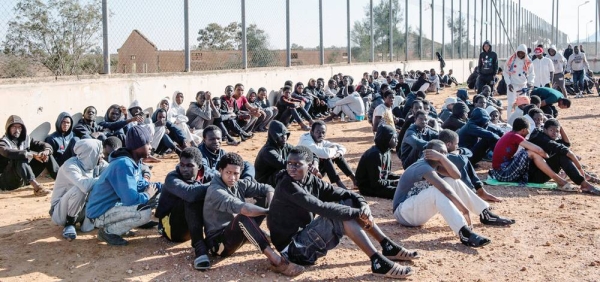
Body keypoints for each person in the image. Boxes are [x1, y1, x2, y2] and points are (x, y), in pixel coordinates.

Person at [267, 146, 417, 279]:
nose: (291, 168)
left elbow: (344, 193)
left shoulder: (311, 180)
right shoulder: (287, 185)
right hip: (293, 251)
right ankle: (377, 261)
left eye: (297, 164)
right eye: (289, 163)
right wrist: (357, 212)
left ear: (310, 166)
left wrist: (363, 205)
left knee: (347, 203)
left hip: (303, 239)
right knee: (342, 216)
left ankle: (387, 245)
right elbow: (321, 207)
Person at [392, 140, 515, 248]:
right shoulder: (423, 166)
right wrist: (464, 210)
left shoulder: (436, 164)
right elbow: (445, 190)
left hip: (416, 210)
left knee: (451, 180)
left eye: (444, 152)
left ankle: (485, 214)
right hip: (403, 213)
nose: (443, 154)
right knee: (437, 190)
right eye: (439, 152)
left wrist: (442, 158)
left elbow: (457, 176)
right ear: (428, 153)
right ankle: (464, 232)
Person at [203, 152, 304, 277]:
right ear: (220, 170)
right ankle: (277, 262)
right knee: (244, 217)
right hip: (219, 244)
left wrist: (271, 205)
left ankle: (276, 236)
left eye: (236, 173)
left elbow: (268, 188)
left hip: (233, 233)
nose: (232, 178)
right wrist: (269, 212)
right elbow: (245, 209)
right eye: (228, 173)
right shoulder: (215, 191)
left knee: (264, 200)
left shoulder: (239, 184)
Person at [86, 125, 160, 246]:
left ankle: (120, 228)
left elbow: (140, 184)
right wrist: (147, 194)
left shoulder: (134, 161)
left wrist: (162, 187)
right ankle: (108, 232)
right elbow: (130, 200)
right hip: (100, 213)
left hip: (114, 207)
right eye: (148, 143)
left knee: (156, 196)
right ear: (138, 146)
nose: (151, 147)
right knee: (144, 213)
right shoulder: (123, 164)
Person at [155, 147, 212, 270]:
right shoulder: (172, 178)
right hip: (172, 229)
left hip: (192, 224)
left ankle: (224, 234)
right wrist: (216, 184)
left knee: (217, 194)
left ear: (199, 166)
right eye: (182, 165)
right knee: (191, 196)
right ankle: (200, 248)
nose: (184, 169)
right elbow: (190, 194)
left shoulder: (207, 175)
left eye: (189, 165)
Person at [488, 117, 571, 189]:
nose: (528, 133)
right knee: (531, 153)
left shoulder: (511, 135)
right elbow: (538, 150)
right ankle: (557, 179)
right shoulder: (515, 136)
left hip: (502, 170)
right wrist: (549, 158)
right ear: (523, 130)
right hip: (502, 173)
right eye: (528, 130)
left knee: (529, 153)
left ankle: (557, 176)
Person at [50, 139, 107, 241]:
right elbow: (84, 186)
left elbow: (112, 170)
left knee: (102, 187)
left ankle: (88, 220)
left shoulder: (96, 164)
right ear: (90, 153)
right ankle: (69, 223)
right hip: (61, 211)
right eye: (99, 153)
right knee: (81, 189)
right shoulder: (70, 165)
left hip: (82, 207)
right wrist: (104, 178)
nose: (102, 156)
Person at [528, 119, 600, 195]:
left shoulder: (542, 134)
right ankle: (584, 184)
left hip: (537, 173)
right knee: (562, 155)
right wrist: (580, 169)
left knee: (562, 153)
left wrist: (560, 127)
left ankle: (584, 183)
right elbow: (569, 153)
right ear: (545, 129)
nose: (554, 133)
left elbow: (566, 144)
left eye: (557, 131)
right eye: (551, 130)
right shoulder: (543, 140)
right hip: (533, 177)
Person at [0, 115, 58, 195]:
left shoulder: (26, 139)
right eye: (14, 127)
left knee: (45, 156)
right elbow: (7, 152)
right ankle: (37, 188)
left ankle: (61, 179)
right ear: (8, 128)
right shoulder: (3, 142)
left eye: (19, 127)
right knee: (20, 156)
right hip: (7, 181)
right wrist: (29, 154)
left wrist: (46, 151)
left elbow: (42, 144)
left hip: (24, 179)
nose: (17, 130)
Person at [438, 129, 501, 202]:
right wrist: (459, 154)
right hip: (442, 187)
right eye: (456, 144)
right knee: (462, 164)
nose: (458, 146)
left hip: (449, 185)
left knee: (464, 161)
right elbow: (462, 160)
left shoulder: (451, 152)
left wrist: (459, 151)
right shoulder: (441, 155)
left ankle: (480, 192)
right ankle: (473, 193)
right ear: (448, 145)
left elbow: (469, 152)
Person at [255, 120, 319, 187]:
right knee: (290, 171)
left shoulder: (285, 146)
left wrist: (315, 164)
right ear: (274, 137)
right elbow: (284, 165)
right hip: (264, 182)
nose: (284, 137)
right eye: (281, 136)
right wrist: (306, 166)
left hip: (276, 177)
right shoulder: (268, 151)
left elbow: (305, 152)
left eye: (285, 134)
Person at [298, 121, 357, 189]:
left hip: (315, 170)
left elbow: (341, 147)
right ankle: (339, 184)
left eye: (323, 132)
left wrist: (337, 154)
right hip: (304, 174)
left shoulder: (319, 140)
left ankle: (355, 180)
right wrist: (334, 150)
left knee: (336, 156)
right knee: (326, 158)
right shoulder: (306, 141)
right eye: (318, 132)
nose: (321, 135)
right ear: (311, 132)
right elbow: (325, 154)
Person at [355, 125, 401, 199]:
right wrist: (394, 182)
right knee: (401, 192)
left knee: (405, 186)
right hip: (368, 187)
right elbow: (376, 183)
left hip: (380, 183)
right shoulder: (375, 155)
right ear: (386, 138)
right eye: (394, 138)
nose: (397, 140)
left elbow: (386, 173)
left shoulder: (386, 151)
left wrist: (400, 178)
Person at [504, 44, 535, 118]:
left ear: (525, 53)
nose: (520, 54)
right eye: (519, 52)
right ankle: (509, 120)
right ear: (517, 52)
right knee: (511, 103)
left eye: (522, 53)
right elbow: (506, 72)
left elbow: (531, 74)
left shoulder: (528, 61)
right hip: (512, 85)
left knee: (523, 104)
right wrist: (508, 83)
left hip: (523, 86)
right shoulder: (510, 59)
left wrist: (530, 83)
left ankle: (521, 119)